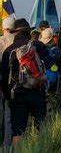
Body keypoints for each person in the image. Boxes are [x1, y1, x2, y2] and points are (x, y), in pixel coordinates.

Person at [1, 18, 55, 148]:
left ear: (15, 33)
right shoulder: (38, 46)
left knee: (18, 132)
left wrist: (8, 97)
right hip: (38, 92)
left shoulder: (9, 51)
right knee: (40, 129)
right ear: (29, 32)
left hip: (18, 95)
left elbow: (4, 78)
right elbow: (51, 65)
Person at [39, 28, 61, 112]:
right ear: (52, 38)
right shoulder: (57, 51)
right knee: (54, 106)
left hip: (41, 83)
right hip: (55, 84)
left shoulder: (39, 50)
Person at [0, 17, 14, 147]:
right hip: (13, 84)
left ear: (3, 28)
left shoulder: (0, 41)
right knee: (9, 117)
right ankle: (7, 146)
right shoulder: (18, 42)